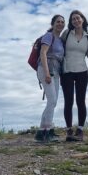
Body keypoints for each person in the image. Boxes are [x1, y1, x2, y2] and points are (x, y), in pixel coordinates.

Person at [35, 15, 65, 143]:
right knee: (52, 100)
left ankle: (41, 132)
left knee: (52, 102)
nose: (60, 24)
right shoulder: (49, 36)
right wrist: (47, 73)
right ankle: (48, 132)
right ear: (52, 24)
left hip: (56, 72)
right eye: (57, 22)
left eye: (62, 22)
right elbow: (43, 53)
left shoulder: (59, 39)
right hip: (46, 69)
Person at [61, 10, 88, 142]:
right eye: (73, 19)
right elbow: (57, 45)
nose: (76, 21)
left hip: (82, 71)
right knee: (68, 101)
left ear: (82, 19)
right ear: (71, 22)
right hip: (67, 71)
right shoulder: (67, 33)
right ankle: (69, 130)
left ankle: (80, 130)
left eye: (78, 18)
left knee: (81, 101)